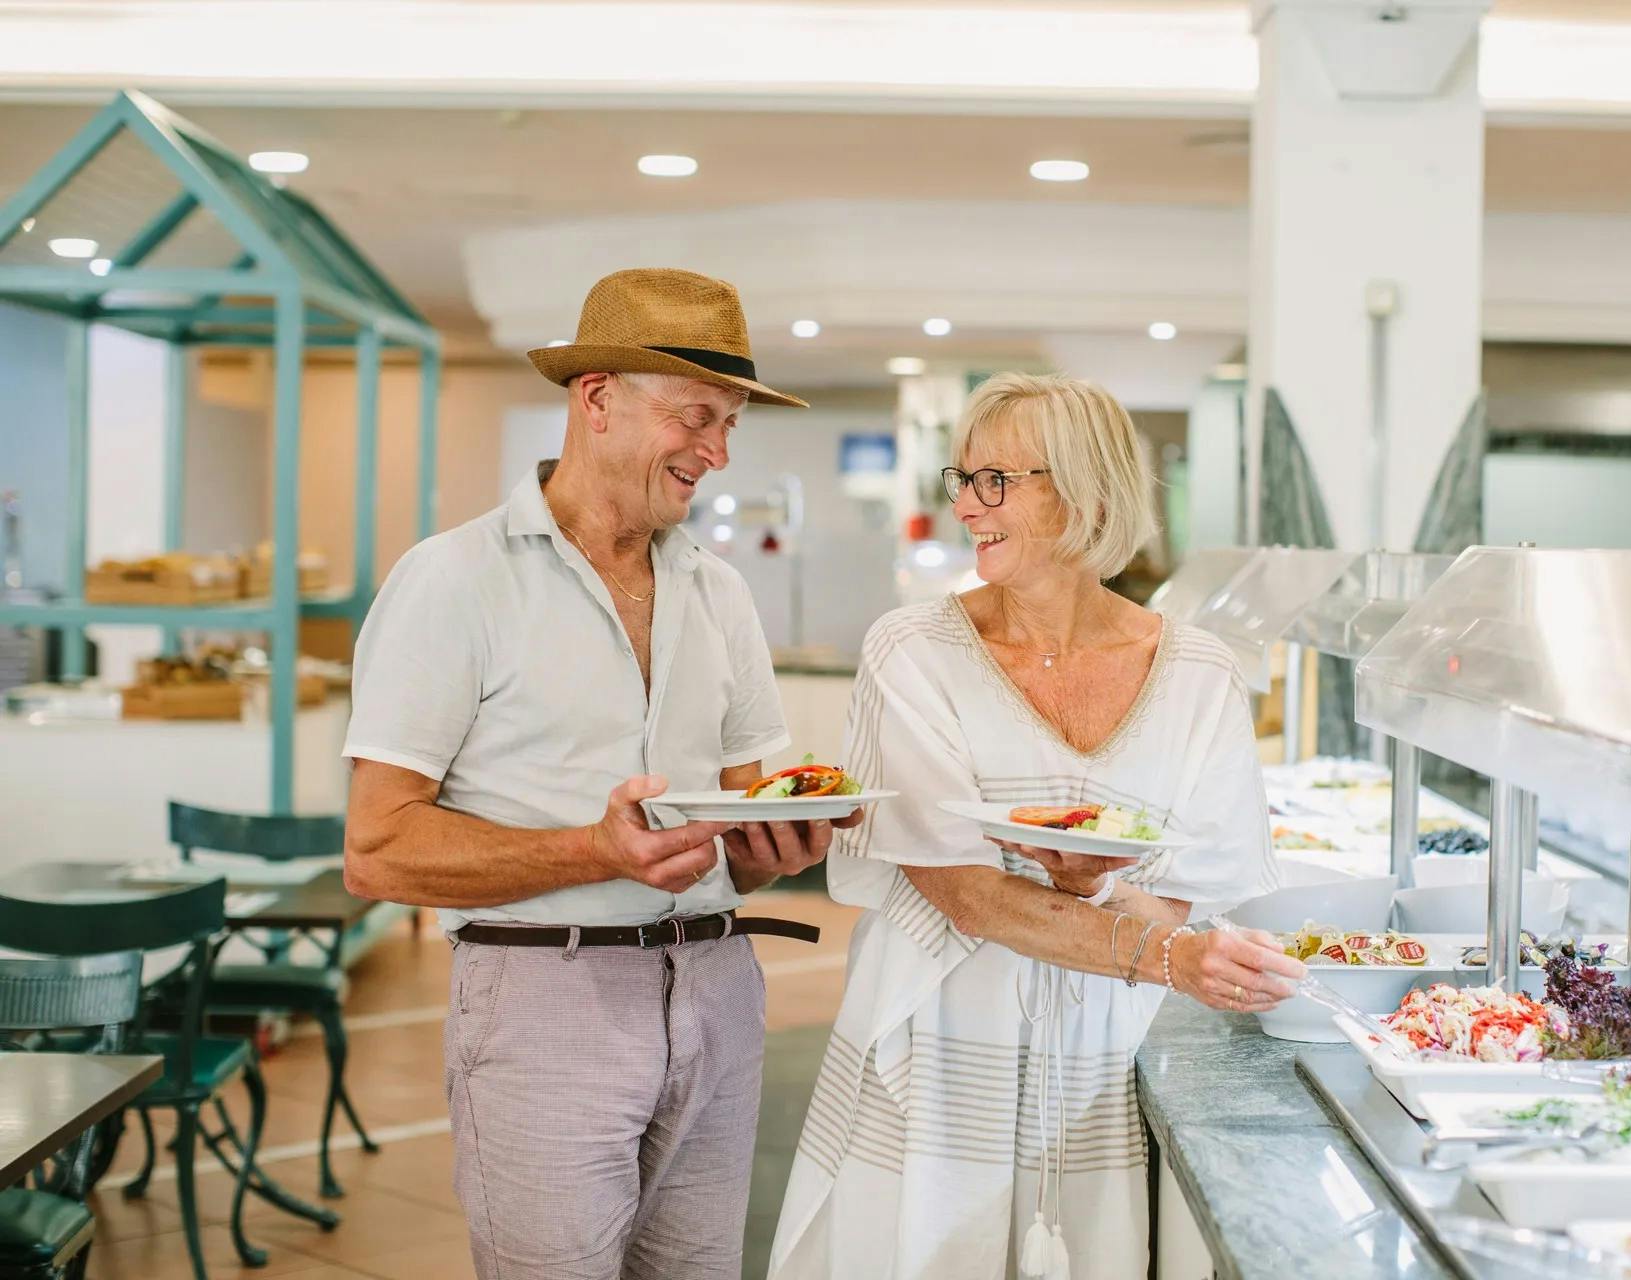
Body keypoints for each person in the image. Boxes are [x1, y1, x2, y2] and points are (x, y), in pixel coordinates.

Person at [341, 267, 861, 1280]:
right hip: (546, 997)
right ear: (598, 399)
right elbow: (376, 847)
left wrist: (774, 849)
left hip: (718, 988)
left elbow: (733, 825)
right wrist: (591, 845)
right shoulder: (455, 579)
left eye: (731, 425)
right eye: (700, 417)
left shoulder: (720, 592)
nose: (717, 451)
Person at [770, 372, 1303, 1279]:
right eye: (964, 480)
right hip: (937, 1039)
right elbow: (965, 893)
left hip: (1106, 1055)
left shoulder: (1201, 671)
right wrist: (1164, 957)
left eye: (999, 482)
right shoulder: (912, 649)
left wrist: (1095, 881)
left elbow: (1185, 896)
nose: (970, 508)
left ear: (1085, 489)